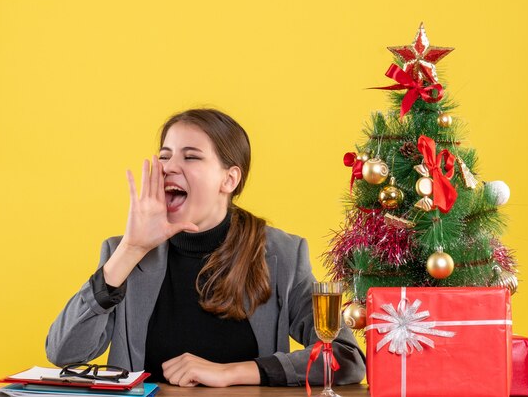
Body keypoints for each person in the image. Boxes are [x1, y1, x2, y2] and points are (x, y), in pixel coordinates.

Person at [46, 108, 365, 387]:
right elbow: (63, 353)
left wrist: (232, 373)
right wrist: (131, 249)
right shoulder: (124, 254)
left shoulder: (281, 253)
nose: (170, 167)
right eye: (165, 156)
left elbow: (345, 358)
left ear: (229, 179)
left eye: (191, 156)